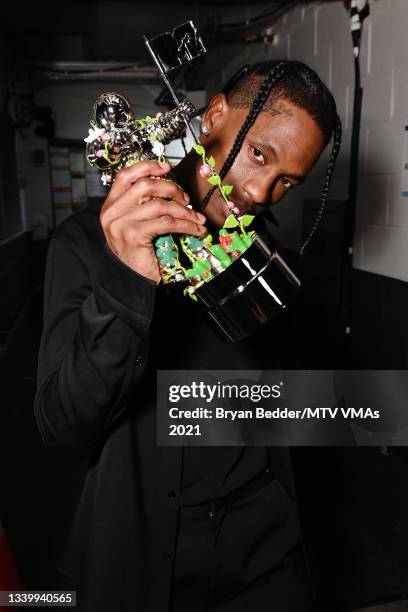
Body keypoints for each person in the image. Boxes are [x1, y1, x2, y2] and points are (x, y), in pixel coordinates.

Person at [34, 59, 341, 612]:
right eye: (258, 154)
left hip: (266, 558)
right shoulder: (86, 244)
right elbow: (62, 428)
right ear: (214, 116)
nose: (259, 192)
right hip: (146, 556)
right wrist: (126, 279)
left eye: (286, 182)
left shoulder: (272, 269)